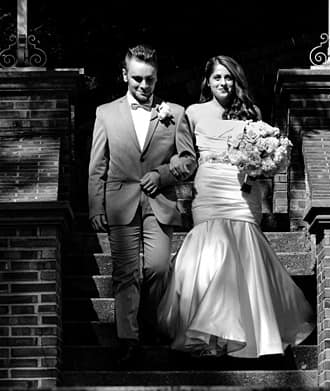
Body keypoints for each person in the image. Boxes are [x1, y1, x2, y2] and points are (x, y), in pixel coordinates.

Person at [157, 55, 315, 357]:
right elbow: (187, 156)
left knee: (241, 250)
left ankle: (248, 332)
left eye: (228, 77)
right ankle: (208, 334)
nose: (223, 83)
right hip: (209, 188)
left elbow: (264, 156)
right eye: (217, 77)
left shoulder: (250, 114)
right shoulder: (193, 113)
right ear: (208, 81)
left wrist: (267, 164)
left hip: (241, 190)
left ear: (236, 81)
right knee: (212, 252)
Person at [87, 44, 194, 366]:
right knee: (125, 273)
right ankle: (128, 339)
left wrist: (162, 175)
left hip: (160, 202)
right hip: (120, 203)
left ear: (157, 77)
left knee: (158, 268)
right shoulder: (105, 113)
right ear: (124, 75)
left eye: (149, 80)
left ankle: (150, 322)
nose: (144, 86)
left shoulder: (175, 113)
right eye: (137, 79)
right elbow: (97, 165)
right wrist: (95, 208)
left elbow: (188, 160)